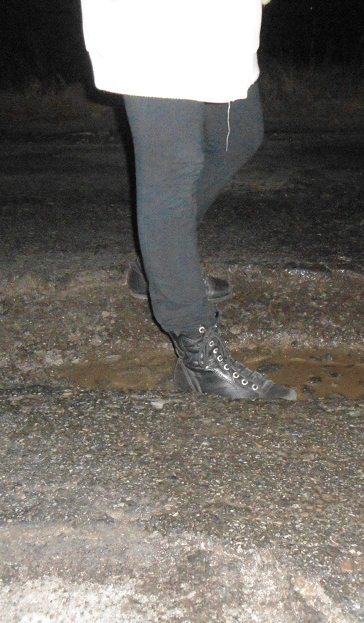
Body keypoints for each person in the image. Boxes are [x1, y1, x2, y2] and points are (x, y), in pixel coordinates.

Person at [80, 0, 296, 401]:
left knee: (237, 137)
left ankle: (159, 266)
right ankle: (197, 356)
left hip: (220, 19)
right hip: (156, 19)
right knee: (172, 172)